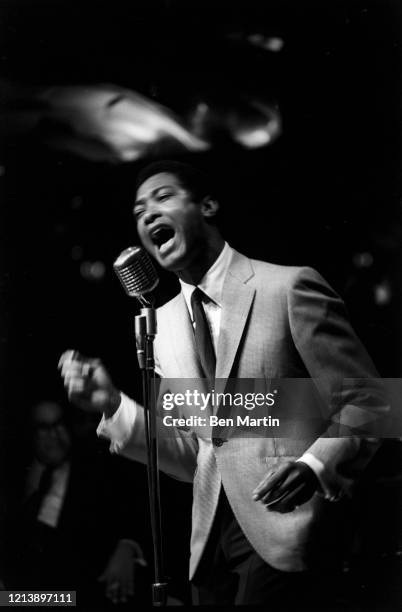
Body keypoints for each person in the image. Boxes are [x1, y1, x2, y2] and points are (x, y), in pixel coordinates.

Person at [59, 160, 384, 606]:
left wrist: (315, 465)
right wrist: (115, 405)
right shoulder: (163, 327)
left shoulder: (286, 287)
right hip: (209, 548)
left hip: (287, 533)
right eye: (138, 211)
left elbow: (370, 400)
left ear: (208, 205)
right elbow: (199, 453)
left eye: (163, 197)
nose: (148, 214)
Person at [4, 400, 150, 607]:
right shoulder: (14, 483)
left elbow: (133, 512)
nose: (54, 435)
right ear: (30, 434)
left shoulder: (96, 469)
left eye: (59, 424)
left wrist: (127, 545)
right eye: (44, 428)